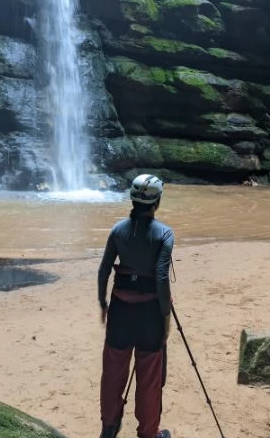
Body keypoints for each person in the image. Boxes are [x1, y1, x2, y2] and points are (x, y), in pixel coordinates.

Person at [97, 174, 175, 438]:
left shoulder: (117, 230)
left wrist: (102, 302)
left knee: (113, 371)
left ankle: (109, 425)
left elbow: (105, 269)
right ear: (158, 202)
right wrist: (165, 316)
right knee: (149, 378)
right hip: (150, 313)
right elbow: (162, 278)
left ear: (132, 199)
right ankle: (149, 433)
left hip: (120, 309)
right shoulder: (164, 234)